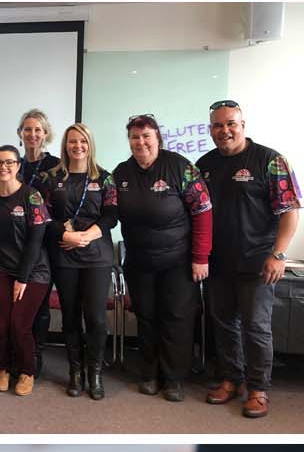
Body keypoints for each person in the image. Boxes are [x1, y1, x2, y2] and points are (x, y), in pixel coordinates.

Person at [202, 97, 301, 423]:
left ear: (242, 125)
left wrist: (279, 254)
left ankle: (258, 389)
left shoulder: (269, 161)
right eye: (218, 125)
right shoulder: (204, 165)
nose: (225, 130)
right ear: (211, 129)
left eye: (231, 123)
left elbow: (289, 211)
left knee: (256, 328)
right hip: (218, 263)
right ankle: (233, 379)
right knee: (224, 326)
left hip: (259, 264)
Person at [114, 119, 211, 404]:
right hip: (139, 261)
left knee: (176, 319)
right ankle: (149, 373)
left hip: (178, 262)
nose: (140, 142)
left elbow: (203, 212)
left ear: (157, 137)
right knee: (146, 317)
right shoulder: (122, 172)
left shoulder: (181, 167)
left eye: (146, 136)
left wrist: (200, 257)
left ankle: (174, 379)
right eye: (134, 137)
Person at [46, 127, 118, 400]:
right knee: (71, 316)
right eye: (72, 141)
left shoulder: (105, 177)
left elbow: (112, 215)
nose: (78, 146)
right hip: (65, 254)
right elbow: (43, 215)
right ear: (65, 146)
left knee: (96, 318)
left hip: (97, 255)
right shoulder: (52, 178)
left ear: (90, 144)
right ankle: (75, 372)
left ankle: (95, 372)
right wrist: (65, 235)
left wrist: (87, 235)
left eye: (83, 141)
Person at [0, 144, 52, 397]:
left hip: (34, 273)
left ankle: (27, 372)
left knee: (19, 325)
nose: (3, 167)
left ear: (18, 166)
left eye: (9, 162)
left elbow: (35, 241)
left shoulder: (32, 196)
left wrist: (23, 278)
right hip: (0, 270)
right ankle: (2, 369)